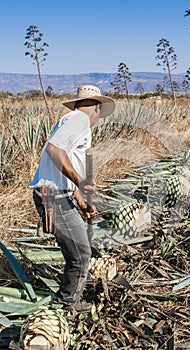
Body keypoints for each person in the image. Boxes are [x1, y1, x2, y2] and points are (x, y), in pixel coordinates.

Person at [28, 85, 115, 312]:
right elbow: (55, 151)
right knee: (81, 254)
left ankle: (69, 297)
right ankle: (67, 304)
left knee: (78, 252)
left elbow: (63, 167)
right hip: (53, 198)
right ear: (96, 107)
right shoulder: (79, 120)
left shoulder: (72, 121)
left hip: (58, 195)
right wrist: (82, 182)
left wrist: (81, 201)